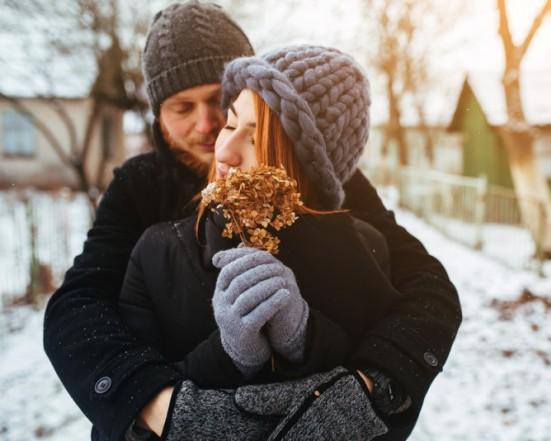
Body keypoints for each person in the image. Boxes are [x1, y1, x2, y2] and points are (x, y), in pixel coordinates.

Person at [43, 2, 461, 440]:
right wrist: (164, 408)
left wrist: (369, 388)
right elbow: (78, 308)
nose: (207, 125)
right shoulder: (140, 189)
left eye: (216, 101)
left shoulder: (328, 181)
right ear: (158, 116)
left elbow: (425, 287)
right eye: (182, 107)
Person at [119, 46, 402, 440]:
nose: (226, 151)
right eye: (230, 125)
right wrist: (229, 356)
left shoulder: (363, 254)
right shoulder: (158, 252)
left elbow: (384, 415)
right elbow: (129, 423)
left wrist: (304, 339)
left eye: (256, 139)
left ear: (304, 169)